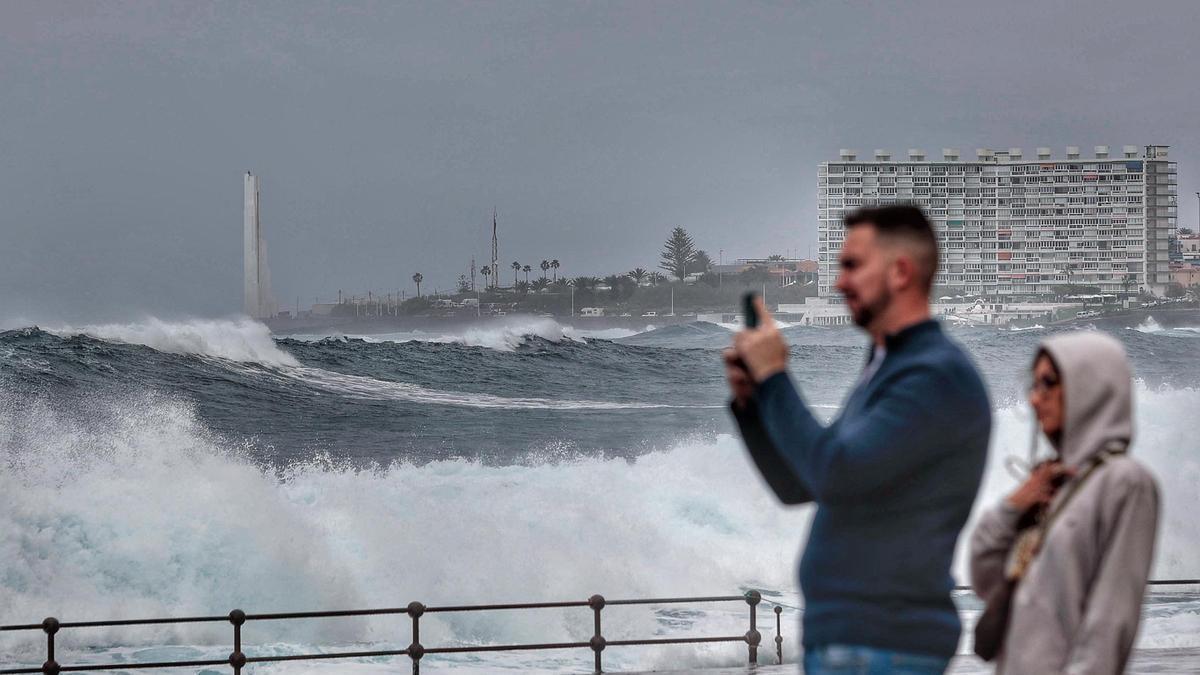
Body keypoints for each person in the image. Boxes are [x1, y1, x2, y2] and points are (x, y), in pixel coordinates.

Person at [727, 205, 991, 674]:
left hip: (885, 643)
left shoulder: (934, 375)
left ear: (901, 272)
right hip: (854, 641)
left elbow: (836, 473)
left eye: (852, 265)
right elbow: (800, 485)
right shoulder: (888, 368)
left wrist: (774, 376)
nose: (839, 282)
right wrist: (754, 404)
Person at [969, 332, 1159, 674]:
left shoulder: (1124, 483)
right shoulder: (1053, 485)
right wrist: (1013, 506)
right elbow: (984, 577)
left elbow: (1109, 625)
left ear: (1088, 389)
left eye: (1047, 384)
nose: (1034, 399)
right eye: (1033, 384)